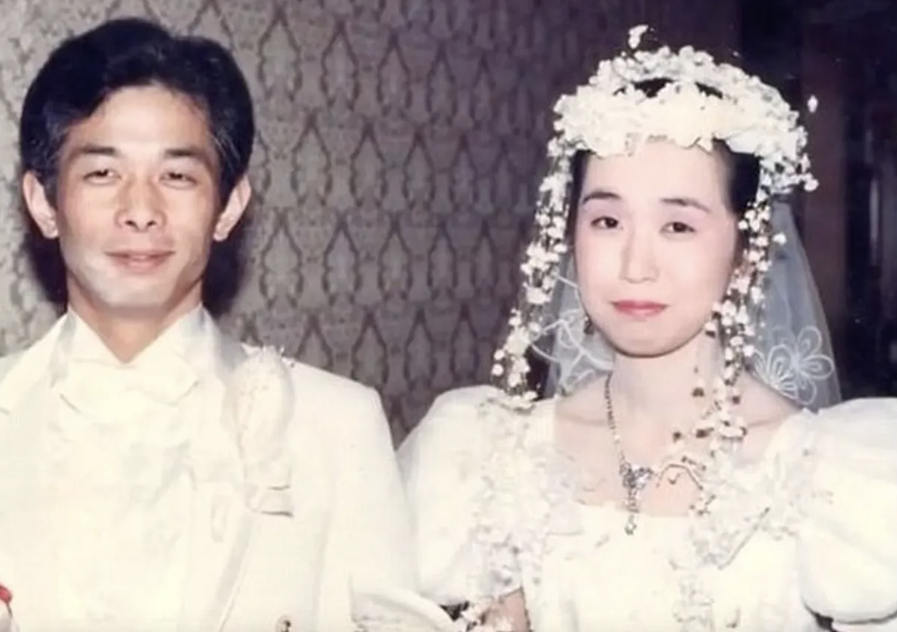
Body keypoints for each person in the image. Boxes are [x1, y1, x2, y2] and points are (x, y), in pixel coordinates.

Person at [374, 26, 897, 632]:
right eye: (607, 221)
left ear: (747, 253)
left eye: (678, 226)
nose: (635, 266)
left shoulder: (834, 476)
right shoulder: (488, 454)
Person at [0, 17, 414, 632]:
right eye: (102, 173)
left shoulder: (336, 426)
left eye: (178, 176)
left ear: (228, 206)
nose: (141, 211)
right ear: (44, 203)